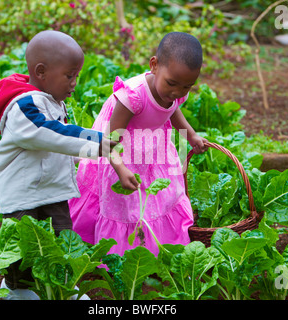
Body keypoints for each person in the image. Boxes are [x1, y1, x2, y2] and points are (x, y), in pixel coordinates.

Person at [0, 30, 116, 300]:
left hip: (51, 187)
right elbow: (47, 132)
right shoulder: (23, 106)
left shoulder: (52, 100)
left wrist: (85, 155)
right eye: (70, 76)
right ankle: (17, 289)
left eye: (76, 76)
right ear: (41, 72)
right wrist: (96, 141)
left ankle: (64, 286)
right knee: (22, 244)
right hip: (22, 192)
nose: (74, 83)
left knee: (62, 237)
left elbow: (57, 144)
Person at [69, 32, 209, 257]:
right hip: (120, 146)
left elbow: (173, 110)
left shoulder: (177, 90)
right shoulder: (132, 97)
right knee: (124, 202)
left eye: (186, 87)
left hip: (152, 145)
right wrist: (120, 168)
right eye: (172, 84)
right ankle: (122, 254)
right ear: (154, 65)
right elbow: (110, 142)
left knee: (161, 195)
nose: (177, 92)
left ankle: (157, 245)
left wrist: (190, 135)